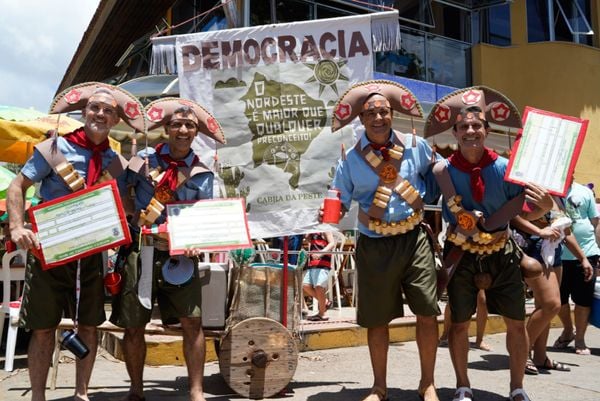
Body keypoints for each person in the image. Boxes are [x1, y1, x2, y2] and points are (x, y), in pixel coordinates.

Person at [6, 82, 145, 401]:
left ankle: (81, 394)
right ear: (84, 112)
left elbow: (122, 203)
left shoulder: (115, 160)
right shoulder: (54, 149)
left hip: (91, 254)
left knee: (89, 326)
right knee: (42, 328)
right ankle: (38, 397)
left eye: (108, 111)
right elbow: (17, 187)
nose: (100, 113)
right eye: (95, 107)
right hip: (49, 253)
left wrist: (146, 185)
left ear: (114, 121)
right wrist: (16, 227)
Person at [424, 86, 553, 401]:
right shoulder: (443, 170)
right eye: (464, 126)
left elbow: (525, 210)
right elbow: (418, 197)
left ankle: (517, 388)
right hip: (462, 253)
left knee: (516, 323)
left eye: (477, 125)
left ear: (486, 130)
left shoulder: (507, 169)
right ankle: (462, 386)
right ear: (455, 132)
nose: (470, 130)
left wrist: (545, 208)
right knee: (458, 325)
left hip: (501, 250)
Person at [324, 80, 441, 401]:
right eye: (371, 112)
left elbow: (437, 182)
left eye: (384, 111)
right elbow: (337, 195)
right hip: (373, 243)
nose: (378, 117)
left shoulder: (417, 146)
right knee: (377, 319)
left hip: (414, 238)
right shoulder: (349, 157)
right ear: (361, 119)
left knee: (427, 312)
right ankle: (379, 387)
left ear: (393, 114)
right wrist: (330, 226)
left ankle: (427, 383)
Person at [109, 98, 226, 401]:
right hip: (141, 249)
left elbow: (205, 212)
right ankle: (136, 390)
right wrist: (130, 212)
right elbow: (121, 188)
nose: (183, 130)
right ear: (167, 129)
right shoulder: (146, 159)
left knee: (192, 322)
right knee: (133, 324)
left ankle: (196, 391)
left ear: (196, 131)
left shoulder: (202, 172)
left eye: (189, 125)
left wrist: (198, 240)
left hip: (180, 253)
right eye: (177, 124)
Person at [554, 180, 599, 355]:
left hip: (587, 253)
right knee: (559, 298)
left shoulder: (584, 191)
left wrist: (597, 248)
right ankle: (567, 330)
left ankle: (580, 339)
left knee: (583, 298)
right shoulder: (551, 190)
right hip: (558, 254)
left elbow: (594, 222)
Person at [303, 231, 336, 321]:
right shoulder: (313, 231)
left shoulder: (325, 229)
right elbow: (308, 240)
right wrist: (307, 235)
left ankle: (322, 313)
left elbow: (332, 243)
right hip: (313, 263)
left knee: (319, 287)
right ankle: (324, 302)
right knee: (305, 285)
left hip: (323, 262)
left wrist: (321, 253)